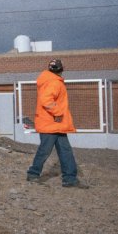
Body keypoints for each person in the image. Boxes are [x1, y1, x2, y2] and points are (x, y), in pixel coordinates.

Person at [26, 59, 84, 187]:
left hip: (54, 124)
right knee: (46, 150)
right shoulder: (54, 82)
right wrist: (57, 113)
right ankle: (33, 173)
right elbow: (46, 100)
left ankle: (70, 179)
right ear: (62, 69)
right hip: (51, 123)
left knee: (64, 150)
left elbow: (46, 100)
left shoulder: (48, 80)